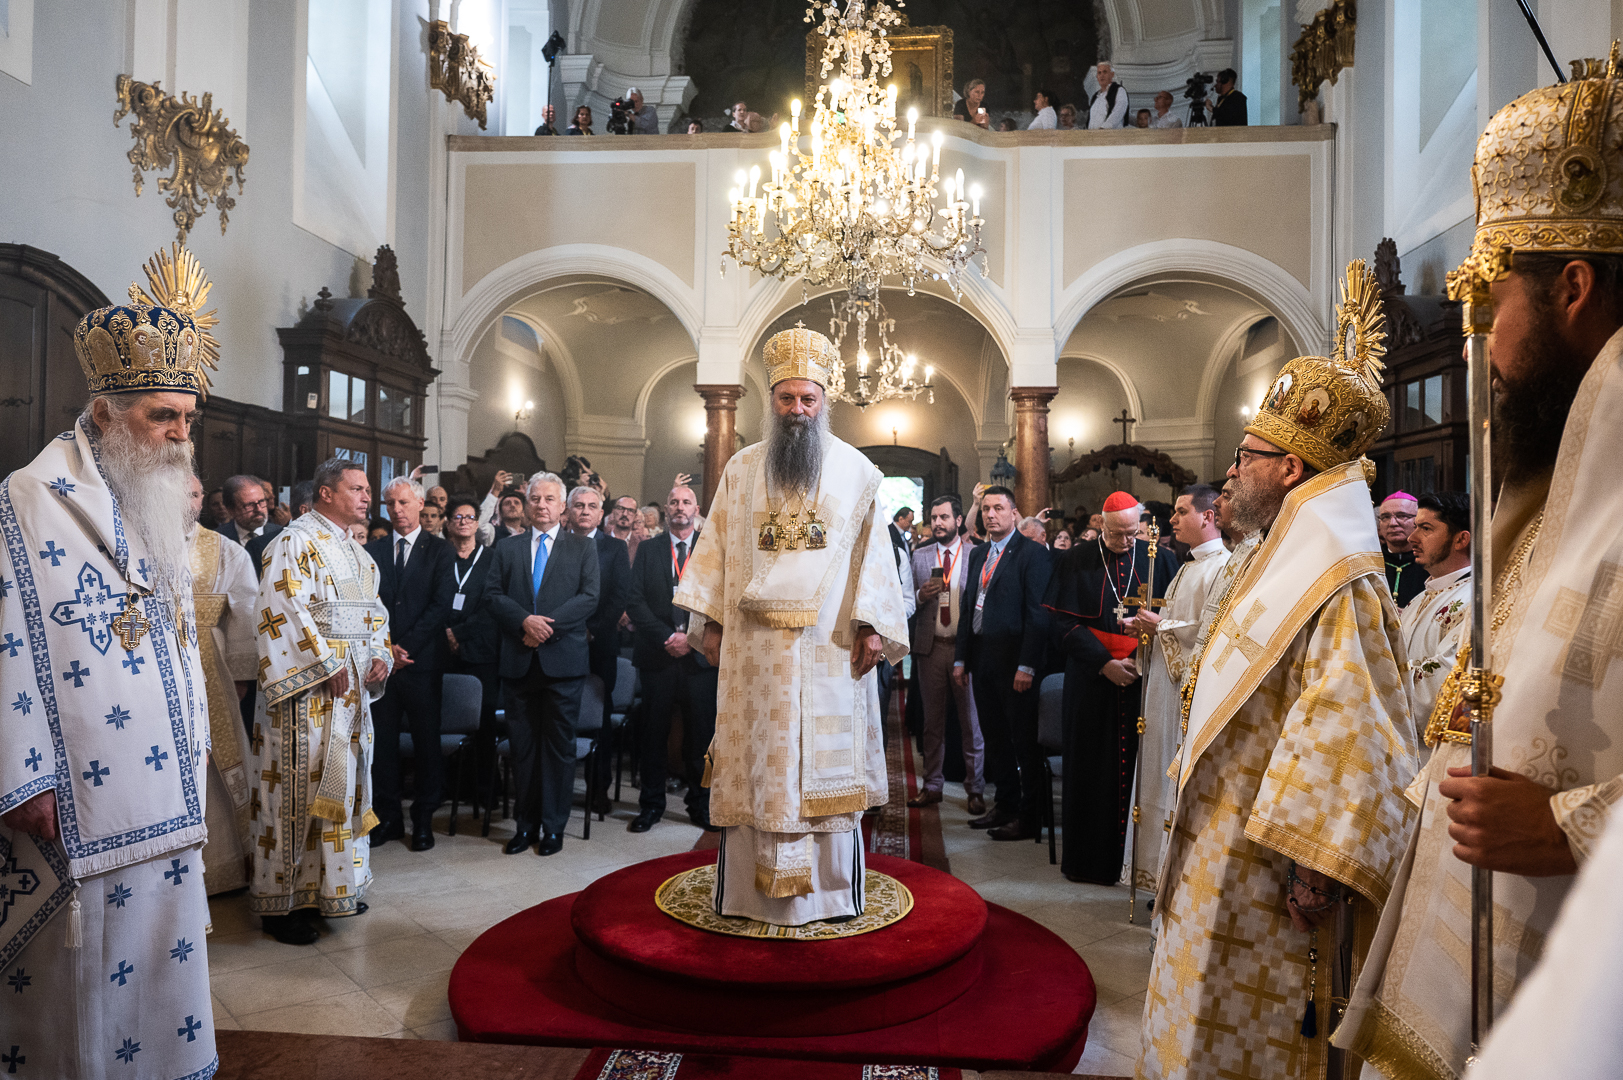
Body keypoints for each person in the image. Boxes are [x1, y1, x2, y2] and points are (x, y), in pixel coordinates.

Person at [1334, 64, 1623, 1073]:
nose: (1485, 350)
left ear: (1573, 290)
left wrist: (1573, 828)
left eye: (1493, 303)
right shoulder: (1559, 467)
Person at [1138, 262, 1419, 1078]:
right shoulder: (1274, 558)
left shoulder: (1344, 578)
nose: (1230, 471)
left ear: (1290, 469)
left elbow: (1345, 725)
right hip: (1216, 839)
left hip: (1268, 867)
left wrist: (1311, 868)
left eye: (1246, 455)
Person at [0, 260, 217, 1076]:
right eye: (164, 417)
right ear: (106, 413)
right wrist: (22, 777)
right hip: (80, 799)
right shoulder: (29, 498)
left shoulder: (152, 503)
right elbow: (6, 635)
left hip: (162, 793)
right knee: (81, 986)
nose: (180, 436)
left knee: (159, 965)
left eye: (188, 418)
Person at [675, 327, 909, 924]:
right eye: (787, 399)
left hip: (830, 649)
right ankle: (749, 897)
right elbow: (718, 550)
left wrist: (872, 627)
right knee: (760, 766)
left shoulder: (858, 473)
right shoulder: (742, 468)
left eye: (808, 399)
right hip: (755, 658)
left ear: (824, 401)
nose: (798, 411)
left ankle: (829, 896)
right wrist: (711, 621)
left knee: (819, 772)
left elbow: (874, 560)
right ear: (771, 402)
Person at [249, 457, 392, 944]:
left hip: (349, 696)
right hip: (307, 693)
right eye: (357, 488)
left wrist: (380, 657)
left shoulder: (356, 552)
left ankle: (333, 887)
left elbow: (374, 613)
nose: (367, 498)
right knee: (298, 792)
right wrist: (324, 664)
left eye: (368, 489)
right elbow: (280, 607)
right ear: (327, 493)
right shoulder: (293, 540)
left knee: (342, 788)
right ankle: (282, 905)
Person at [1045, 492, 1181, 881]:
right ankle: (1090, 863)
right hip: (1091, 682)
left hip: (1142, 677)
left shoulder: (1162, 559)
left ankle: (1137, 865)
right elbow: (1061, 625)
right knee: (1090, 770)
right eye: (1118, 533)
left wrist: (1137, 658)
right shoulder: (1075, 561)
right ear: (1101, 526)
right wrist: (1104, 663)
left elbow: (1172, 620)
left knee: (1144, 769)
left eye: (1132, 533)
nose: (1126, 542)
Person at [1119, 484, 1228, 895]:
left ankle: (1172, 881)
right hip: (1165, 684)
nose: (1172, 520)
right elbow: (1179, 623)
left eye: (1182, 511)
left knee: (1172, 777)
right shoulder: (1187, 565)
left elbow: (1211, 634)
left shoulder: (1222, 567)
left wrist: (1158, 626)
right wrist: (1147, 628)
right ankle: (1156, 876)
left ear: (1208, 516)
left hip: (1187, 692)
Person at [483, 473, 600, 857]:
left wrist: (544, 628)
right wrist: (524, 622)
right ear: (527, 503)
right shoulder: (508, 547)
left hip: (562, 663)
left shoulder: (583, 548)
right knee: (523, 748)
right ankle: (525, 825)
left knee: (559, 749)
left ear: (562, 505)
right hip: (519, 661)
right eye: (535, 498)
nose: (542, 505)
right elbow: (492, 595)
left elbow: (589, 598)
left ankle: (553, 828)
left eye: (550, 498)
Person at [953, 486, 1053, 841]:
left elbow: (1038, 616)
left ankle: (1029, 815)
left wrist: (1027, 666)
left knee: (1022, 741)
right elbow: (969, 608)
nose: (991, 515)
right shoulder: (978, 554)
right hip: (982, 657)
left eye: (999, 508)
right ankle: (1006, 805)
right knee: (995, 738)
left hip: (1015, 662)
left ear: (1014, 514)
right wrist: (961, 658)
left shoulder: (1032, 553)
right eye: (986, 509)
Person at [365, 477, 456, 851]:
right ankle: (388, 819)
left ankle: (423, 820)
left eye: (403, 502)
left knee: (426, 744)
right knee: (382, 744)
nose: (396, 510)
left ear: (420, 504)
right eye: (390, 504)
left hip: (422, 663)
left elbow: (440, 606)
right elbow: (369, 605)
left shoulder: (440, 550)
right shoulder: (374, 550)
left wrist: (404, 648)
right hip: (383, 664)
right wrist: (387, 649)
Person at [626, 484, 718, 831]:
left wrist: (690, 639)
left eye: (686, 502)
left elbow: (718, 601)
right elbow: (634, 601)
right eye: (675, 502)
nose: (680, 507)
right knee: (653, 734)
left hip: (699, 659)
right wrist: (668, 636)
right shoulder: (648, 549)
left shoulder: (711, 550)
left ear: (696, 509)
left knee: (700, 736)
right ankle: (650, 805)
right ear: (667, 509)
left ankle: (700, 804)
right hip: (658, 656)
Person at [185, 474, 260, 895]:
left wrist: (242, 672)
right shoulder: (138, 542)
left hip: (211, 662)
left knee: (220, 750)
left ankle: (224, 864)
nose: (190, 500)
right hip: (159, 665)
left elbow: (245, 611)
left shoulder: (224, 549)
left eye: (196, 493)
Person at [908, 495, 987, 814]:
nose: (938, 523)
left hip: (964, 649)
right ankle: (932, 786)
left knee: (971, 722)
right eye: (933, 517)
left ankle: (976, 789)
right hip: (930, 648)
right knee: (932, 722)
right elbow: (905, 600)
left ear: (958, 521)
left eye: (944, 517)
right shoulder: (921, 555)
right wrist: (919, 594)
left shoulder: (976, 555)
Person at [566, 484, 630, 814]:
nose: (585, 511)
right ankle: (560, 788)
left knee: (599, 718)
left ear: (601, 513)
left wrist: (591, 630)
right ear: (568, 511)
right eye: (579, 505)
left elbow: (619, 596)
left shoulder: (615, 549)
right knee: (561, 715)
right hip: (561, 643)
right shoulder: (556, 546)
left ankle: (598, 789)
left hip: (599, 645)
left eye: (592, 505)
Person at [1395, 490, 1471, 748]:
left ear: (1461, 539)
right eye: (1415, 526)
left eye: (1426, 528)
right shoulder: (1418, 600)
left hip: (1436, 750)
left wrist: (1378, 684)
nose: (1412, 537)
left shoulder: (1473, 600)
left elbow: (1446, 680)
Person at [442, 494, 502, 814]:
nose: (463, 522)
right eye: (457, 517)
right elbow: (433, 600)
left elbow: (493, 605)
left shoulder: (492, 560)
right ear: (448, 524)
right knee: (448, 720)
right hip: (444, 651)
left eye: (469, 517)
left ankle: (485, 789)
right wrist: (445, 633)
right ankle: (451, 787)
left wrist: (458, 632)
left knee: (483, 723)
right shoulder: (440, 557)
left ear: (478, 524)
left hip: (482, 651)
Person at [1377, 490, 1426, 607]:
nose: (1392, 523)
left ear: (1418, 520)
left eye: (1402, 516)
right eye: (1385, 517)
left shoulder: (1431, 563)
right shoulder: (1371, 563)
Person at [216, 472, 282, 548]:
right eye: (249, 505)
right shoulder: (218, 538)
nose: (258, 509)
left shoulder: (281, 535)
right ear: (231, 510)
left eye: (261, 501)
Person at [1089, 62, 1129, 129]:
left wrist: (1104, 128)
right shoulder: (1095, 96)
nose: (1102, 75)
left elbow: (1118, 111)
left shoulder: (1119, 90)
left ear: (1112, 74)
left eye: (1105, 72)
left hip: (1110, 136)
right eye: (1099, 73)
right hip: (1094, 137)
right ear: (1097, 77)